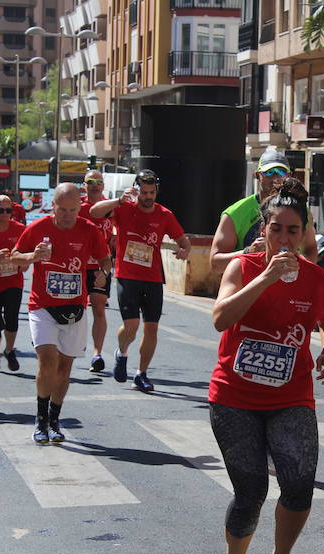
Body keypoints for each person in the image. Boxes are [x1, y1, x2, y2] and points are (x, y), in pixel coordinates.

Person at [208, 178, 324, 554]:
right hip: (234, 397)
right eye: (276, 229)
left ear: (304, 235)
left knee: (299, 485)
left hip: (291, 396)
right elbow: (221, 319)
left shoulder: (315, 278)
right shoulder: (241, 268)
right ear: (263, 229)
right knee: (251, 490)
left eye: (293, 231)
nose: (284, 238)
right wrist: (265, 278)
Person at [11, 182, 112, 444]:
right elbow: (14, 257)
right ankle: (40, 419)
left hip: (75, 308)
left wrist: (104, 273)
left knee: (64, 368)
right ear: (53, 205)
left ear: (80, 207)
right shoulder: (38, 228)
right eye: (63, 209)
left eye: (73, 210)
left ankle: (55, 419)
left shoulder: (89, 230)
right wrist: (33, 256)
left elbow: (105, 259)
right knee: (47, 361)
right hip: (42, 305)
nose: (68, 215)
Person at [89, 170, 190, 393]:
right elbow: (94, 213)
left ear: (156, 191)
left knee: (151, 328)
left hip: (153, 278)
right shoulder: (124, 209)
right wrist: (118, 200)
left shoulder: (164, 215)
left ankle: (141, 374)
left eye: (151, 192)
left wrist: (184, 250)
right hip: (128, 276)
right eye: (143, 192)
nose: (147, 197)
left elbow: (183, 240)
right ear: (137, 191)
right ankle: (121, 353)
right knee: (131, 326)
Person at [210, 148, 317, 274]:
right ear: (257, 175)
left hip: (287, 284)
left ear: (289, 176)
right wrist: (248, 252)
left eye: (281, 172)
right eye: (269, 172)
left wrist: (302, 274)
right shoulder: (235, 213)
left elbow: (310, 249)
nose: (276, 178)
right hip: (247, 286)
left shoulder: (299, 210)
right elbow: (216, 264)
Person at [78, 170, 116, 372]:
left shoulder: (111, 206)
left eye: (98, 182)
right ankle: (70, 346)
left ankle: (97, 354)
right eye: (90, 182)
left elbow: (123, 226)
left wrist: (117, 237)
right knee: (75, 309)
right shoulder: (77, 206)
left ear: (103, 185)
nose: (94, 185)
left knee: (99, 308)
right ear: (84, 185)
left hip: (101, 266)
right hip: (77, 266)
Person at [0, 195, 27, 373]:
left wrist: (24, 263)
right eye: (0, 210)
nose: (5, 214)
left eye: (8, 210)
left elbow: (28, 252)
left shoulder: (20, 229)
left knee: (11, 318)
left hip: (13, 281)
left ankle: (9, 350)